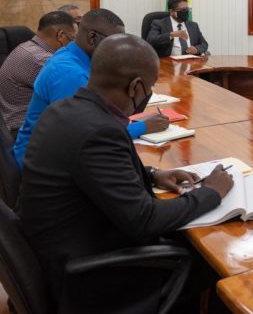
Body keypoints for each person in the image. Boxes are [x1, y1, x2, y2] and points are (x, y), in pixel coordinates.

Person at [18, 34, 233, 312]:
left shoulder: (63, 110)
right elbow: (144, 220)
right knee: (218, 265)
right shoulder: (99, 130)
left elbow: (88, 170)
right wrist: (210, 193)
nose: (149, 95)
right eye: (150, 87)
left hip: (61, 251)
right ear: (135, 87)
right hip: (93, 279)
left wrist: (153, 174)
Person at [13, 9, 169, 168]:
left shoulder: (75, 57)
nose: (118, 47)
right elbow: (88, 135)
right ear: (93, 37)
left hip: (61, 152)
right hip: (42, 165)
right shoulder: (69, 73)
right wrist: (143, 126)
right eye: (114, 41)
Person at [0, 11, 76, 137]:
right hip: (23, 133)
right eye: (74, 39)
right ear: (61, 35)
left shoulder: (26, 47)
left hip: (13, 128)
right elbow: (75, 94)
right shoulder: (42, 60)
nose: (75, 45)